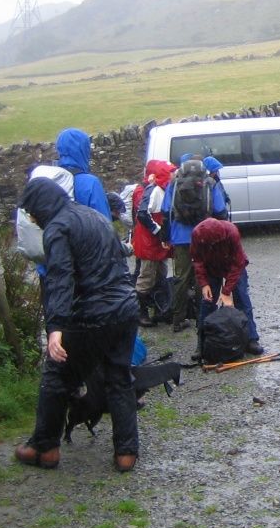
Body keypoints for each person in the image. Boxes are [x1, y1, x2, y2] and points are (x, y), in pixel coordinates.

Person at [14, 177, 140, 473]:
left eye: (31, 213)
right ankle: (126, 453)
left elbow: (60, 277)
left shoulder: (57, 228)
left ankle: (44, 447)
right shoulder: (93, 215)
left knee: (57, 376)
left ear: (40, 208)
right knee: (119, 377)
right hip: (125, 308)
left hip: (92, 315)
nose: (32, 219)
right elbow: (119, 255)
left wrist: (55, 327)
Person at [162, 155, 229, 332]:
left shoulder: (174, 184)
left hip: (180, 237)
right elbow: (220, 210)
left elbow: (166, 211)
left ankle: (178, 319)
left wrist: (166, 236)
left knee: (181, 278)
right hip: (204, 236)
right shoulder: (209, 183)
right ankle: (203, 318)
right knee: (203, 277)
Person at [189, 217, 264, 355]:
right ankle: (202, 342)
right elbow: (197, 260)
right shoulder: (197, 235)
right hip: (210, 268)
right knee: (207, 302)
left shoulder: (232, 232)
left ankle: (251, 339)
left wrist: (226, 291)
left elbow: (238, 263)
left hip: (233, 266)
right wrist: (204, 284)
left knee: (242, 299)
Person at [132, 159, 175, 326]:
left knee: (160, 275)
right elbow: (143, 214)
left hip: (157, 243)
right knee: (146, 277)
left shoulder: (165, 189)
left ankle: (158, 309)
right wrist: (159, 232)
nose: (174, 175)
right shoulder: (154, 190)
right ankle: (140, 313)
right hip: (149, 243)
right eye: (171, 172)